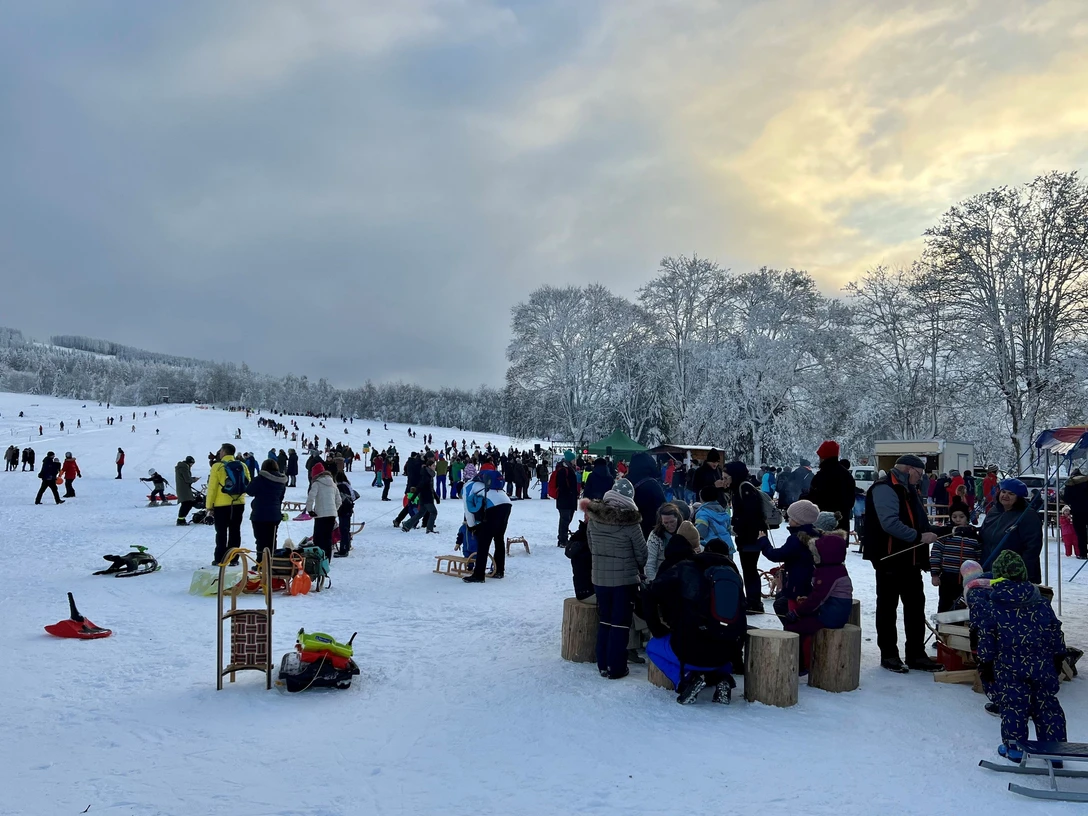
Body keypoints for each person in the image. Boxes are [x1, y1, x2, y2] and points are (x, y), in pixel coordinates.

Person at [976, 551, 1068, 763]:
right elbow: (1055, 631)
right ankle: (1054, 751)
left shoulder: (992, 605)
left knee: (1014, 706)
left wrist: (985, 662)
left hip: (1009, 668)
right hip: (1043, 665)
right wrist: (1058, 656)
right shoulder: (1041, 602)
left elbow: (986, 638)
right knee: (1047, 706)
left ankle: (1015, 749)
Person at [862, 454, 943, 673]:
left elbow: (916, 519)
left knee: (915, 606)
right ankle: (889, 654)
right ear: (909, 469)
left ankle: (916, 654)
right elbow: (890, 524)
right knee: (888, 607)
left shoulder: (909, 488)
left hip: (911, 558)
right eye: (920, 473)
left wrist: (933, 531)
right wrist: (919, 536)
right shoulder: (885, 487)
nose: (922, 478)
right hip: (889, 558)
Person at [643, 538, 744, 704]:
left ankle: (687, 680)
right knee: (720, 639)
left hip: (689, 648)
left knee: (653, 647)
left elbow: (649, 592)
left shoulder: (685, 569)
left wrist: (657, 627)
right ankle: (723, 678)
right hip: (726, 652)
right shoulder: (732, 576)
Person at [582, 478, 647, 680]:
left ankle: (603, 664)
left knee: (606, 621)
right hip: (624, 581)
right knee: (620, 623)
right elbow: (642, 554)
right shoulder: (630, 523)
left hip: (599, 579)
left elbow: (591, 547)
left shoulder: (595, 518)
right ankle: (616, 667)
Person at [780, 513, 854, 674]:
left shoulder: (828, 572)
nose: (814, 558)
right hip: (830, 610)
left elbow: (817, 599)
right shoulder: (833, 568)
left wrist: (797, 612)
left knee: (794, 627)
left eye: (816, 554)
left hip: (831, 616)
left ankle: (800, 664)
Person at [760, 500, 820, 619]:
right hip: (808, 582)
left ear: (798, 521)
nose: (789, 520)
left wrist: (763, 541)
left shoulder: (796, 539)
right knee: (782, 601)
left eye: (791, 518)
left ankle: (794, 632)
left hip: (797, 585)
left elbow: (777, 555)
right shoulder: (815, 534)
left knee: (789, 609)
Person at [979, 478, 1043, 583]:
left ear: (1019, 497)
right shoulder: (993, 511)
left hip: (1014, 574)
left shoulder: (1027, 515)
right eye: (1003, 492)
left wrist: (1020, 572)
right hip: (989, 569)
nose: (1005, 496)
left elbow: (1032, 547)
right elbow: (984, 534)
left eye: (1011, 494)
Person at [725, 461, 768, 614]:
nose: (725, 480)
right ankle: (752, 601)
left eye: (726, 477)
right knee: (748, 569)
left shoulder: (745, 488)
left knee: (749, 569)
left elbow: (751, 515)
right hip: (748, 535)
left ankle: (754, 603)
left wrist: (736, 524)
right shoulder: (740, 488)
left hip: (751, 536)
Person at [462, 469, 513, 583]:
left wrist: (471, 526)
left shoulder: (467, 487)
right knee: (499, 538)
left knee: (484, 541)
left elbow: (468, 510)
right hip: (506, 503)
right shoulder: (487, 482)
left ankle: (478, 575)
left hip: (494, 506)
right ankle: (499, 570)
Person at [930, 505, 982, 612]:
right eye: (954, 517)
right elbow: (936, 553)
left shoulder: (973, 535)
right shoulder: (946, 534)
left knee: (962, 607)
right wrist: (935, 574)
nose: (957, 520)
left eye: (961, 517)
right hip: (947, 578)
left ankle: (958, 627)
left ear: (967, 518)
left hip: (967, 579)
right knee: (945, 606)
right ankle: (941, 628)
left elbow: (979, 556)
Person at [206, 443, 251, 566]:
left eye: (220, 451)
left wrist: (209, 506)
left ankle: (220, 557)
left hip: (221, 504)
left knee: (221, 532)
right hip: (238, 503)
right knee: (235, 530)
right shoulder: (242, 465)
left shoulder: (217, 467)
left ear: (224, 452)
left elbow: (212, 488)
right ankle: (234, 558)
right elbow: (248, 483)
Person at [805, 441, 856, 533]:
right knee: (838, 545)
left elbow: (814, 500)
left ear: (824, 457)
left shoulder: (821, 476)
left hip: (822, 524)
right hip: (841, 524)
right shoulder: (847, 475)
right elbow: (851, 500)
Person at [246, 459, 287, 561]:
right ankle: (271, 561)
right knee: (272, 539)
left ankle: (261, 563)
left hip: (259, 514)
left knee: (260, 540)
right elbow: (281, 498)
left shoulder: (260, 479)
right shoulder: (281, 481)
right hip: (275, 514)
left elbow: (249, 491)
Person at [305, 462, 342, 562]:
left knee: (318, 538)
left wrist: (310, 510)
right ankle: (327, 560)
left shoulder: (317, 483)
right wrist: (334, 510)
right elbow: (339, 501)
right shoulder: (333, 484)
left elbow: (311, 497)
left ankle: (318, 560)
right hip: (331, 515)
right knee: (328, 538)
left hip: (320, 515)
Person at [629, 451, 666, 540]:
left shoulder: (625, 483)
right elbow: (664, 508)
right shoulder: (652, 485)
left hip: (627, 531)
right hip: (648, 532)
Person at [645, 503, 684, 581]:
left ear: (678, 518)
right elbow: (650, 562)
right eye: (666, 523)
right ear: (661, 521)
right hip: (661, 578)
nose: (669, 525)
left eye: (672, 521)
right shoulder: (655, 536)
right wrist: (652, 582)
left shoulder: (685, 532)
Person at [693, 486, 734, 553]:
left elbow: (702, 530)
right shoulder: (723, 511)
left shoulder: (703, 513)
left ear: (701, 498)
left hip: (712, 547)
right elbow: (728, 529)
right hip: (727, 545)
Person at [403, 456, 439, 533]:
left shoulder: (428, 474)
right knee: (433, 512)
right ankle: (429, 529)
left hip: (425, 498)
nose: (434, 467)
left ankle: (407, 525)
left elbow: (431, 488)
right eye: (433, 466)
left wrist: (436, 497)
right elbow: (420, 487)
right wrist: (413, 497)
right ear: (429, 466)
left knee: (420, 513)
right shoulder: (426, 475)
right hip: (427, 498)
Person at [554, 451, 580, 547]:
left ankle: (563, 538)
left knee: (567, 519)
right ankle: (562, 540)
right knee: (565, 519)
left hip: (570, 499)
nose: (575, 461)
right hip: (565, 499)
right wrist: (570, 492)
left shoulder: (570, 469)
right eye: (574, 459)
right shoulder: (563, 470)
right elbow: (562, 485)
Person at [1064, 469, 1088, 559]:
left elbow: (1066, 498)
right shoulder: (1086, 480)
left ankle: (1083, 553)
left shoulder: (1070, 483)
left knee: (1081, 534)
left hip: (1077, 511)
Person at [174, 456, 199, 525]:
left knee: (186, 503)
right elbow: (187, 479)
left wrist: (192, 478)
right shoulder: (184, 468)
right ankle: (180, 520)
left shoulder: (181, 467)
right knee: (187, 503)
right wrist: (194, 479)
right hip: (184, 489)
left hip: (183, 488)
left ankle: (181, 519)